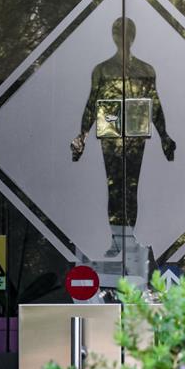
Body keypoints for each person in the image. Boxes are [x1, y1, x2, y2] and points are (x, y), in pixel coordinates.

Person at [71, 17, 175, 233]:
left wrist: (164, 136)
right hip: (111, 134)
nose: (123, 37)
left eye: (127, 32)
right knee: (114, 186)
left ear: (133, 36)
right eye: (118, 32)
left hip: (136, 134)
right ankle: (117, 239)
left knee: (132, 186)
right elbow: (92, 104)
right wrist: (82, 136)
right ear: (113, 36)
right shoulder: (102, 70)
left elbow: (154, 104)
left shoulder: (146, 70)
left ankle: (129, 236)